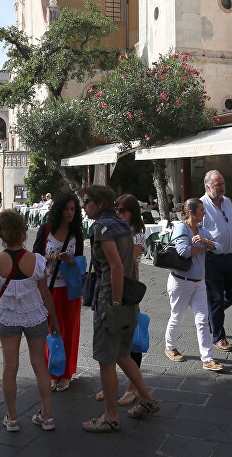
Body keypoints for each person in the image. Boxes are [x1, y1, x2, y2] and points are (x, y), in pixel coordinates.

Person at [81, 185, 158, 433]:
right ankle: (146, 399)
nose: (84, 206)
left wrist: (113, 303)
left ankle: (111, 417)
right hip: (129, 297)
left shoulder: (102, 228)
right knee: (123, 354)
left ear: (100, 203)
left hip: (111, 298)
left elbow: (115, 267)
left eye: (87, 202)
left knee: (107, 359)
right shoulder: (123, 225)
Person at [0, 209, 60, 433]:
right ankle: (47, 415)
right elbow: (46, 294)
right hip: (35, 315)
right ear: (23, 231)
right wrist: (53, 320)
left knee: (10, 366)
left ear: (1, 234)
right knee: (39, 364)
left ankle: (13, 417)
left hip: (8, 317)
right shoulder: (37, 261)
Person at [97, 193, 148, 405]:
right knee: (111, 341)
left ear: (132, 212)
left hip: (128, 291)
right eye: (116, 210)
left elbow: (123, 257)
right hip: (113, 288)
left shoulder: (136, 233)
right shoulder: (117, 230)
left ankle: (132, 388)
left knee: (131, 342)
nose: (118, 214)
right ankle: (111, 386)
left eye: (122, 210)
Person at [32, 191, 84, 392]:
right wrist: (49, 256)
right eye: (66, 208)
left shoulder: (76, 232)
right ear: (58, 209)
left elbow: (79, 261)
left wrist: (70, 260)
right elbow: (35, 257)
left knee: (70, 330)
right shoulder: (45, 230)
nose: (69, 212)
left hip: (70, 289)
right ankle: (53, 371)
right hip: (49, 289)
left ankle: (66, 373)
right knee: (52, 330)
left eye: (73, 209)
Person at [165, 198, 223, 371]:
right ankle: (170, 346)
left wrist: (207, 242)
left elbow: (219, 247)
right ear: (191, 212)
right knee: (177, 316)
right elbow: (183, 251)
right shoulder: (180, 228)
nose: (204, 213)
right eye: (201, 210)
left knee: (202, 321)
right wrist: (204, 247)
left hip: (199, 283)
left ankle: (207, 358)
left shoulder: (203, 230)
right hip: (180, 282)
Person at [200, 171, 232, 353]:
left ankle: (212, 317)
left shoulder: (228, 202)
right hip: (212, 258)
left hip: (229, 257)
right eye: (218, 185)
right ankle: (219, 337)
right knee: (215, 298)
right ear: (208, 187)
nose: (223, 187)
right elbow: (198, 232)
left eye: (223, 183)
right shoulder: (201, 205)